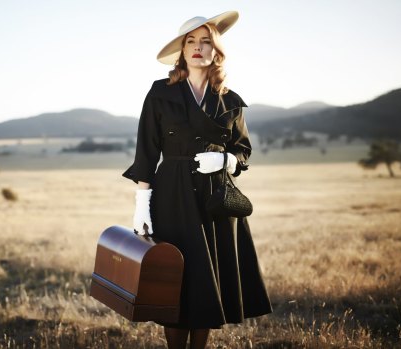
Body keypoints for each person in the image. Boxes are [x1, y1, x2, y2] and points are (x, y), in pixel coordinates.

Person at [122, 11, 273, 349]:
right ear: (182, 49)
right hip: (172, 195)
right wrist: (141, 206)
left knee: (207, 283)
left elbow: (243, 150)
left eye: (205, 42)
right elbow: (146, 152)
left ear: (216, 50)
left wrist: (226, 159)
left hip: (215, 198)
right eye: (190, 41)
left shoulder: (230, 99)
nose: (197, 48)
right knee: (177, 281)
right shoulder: (161, 92)